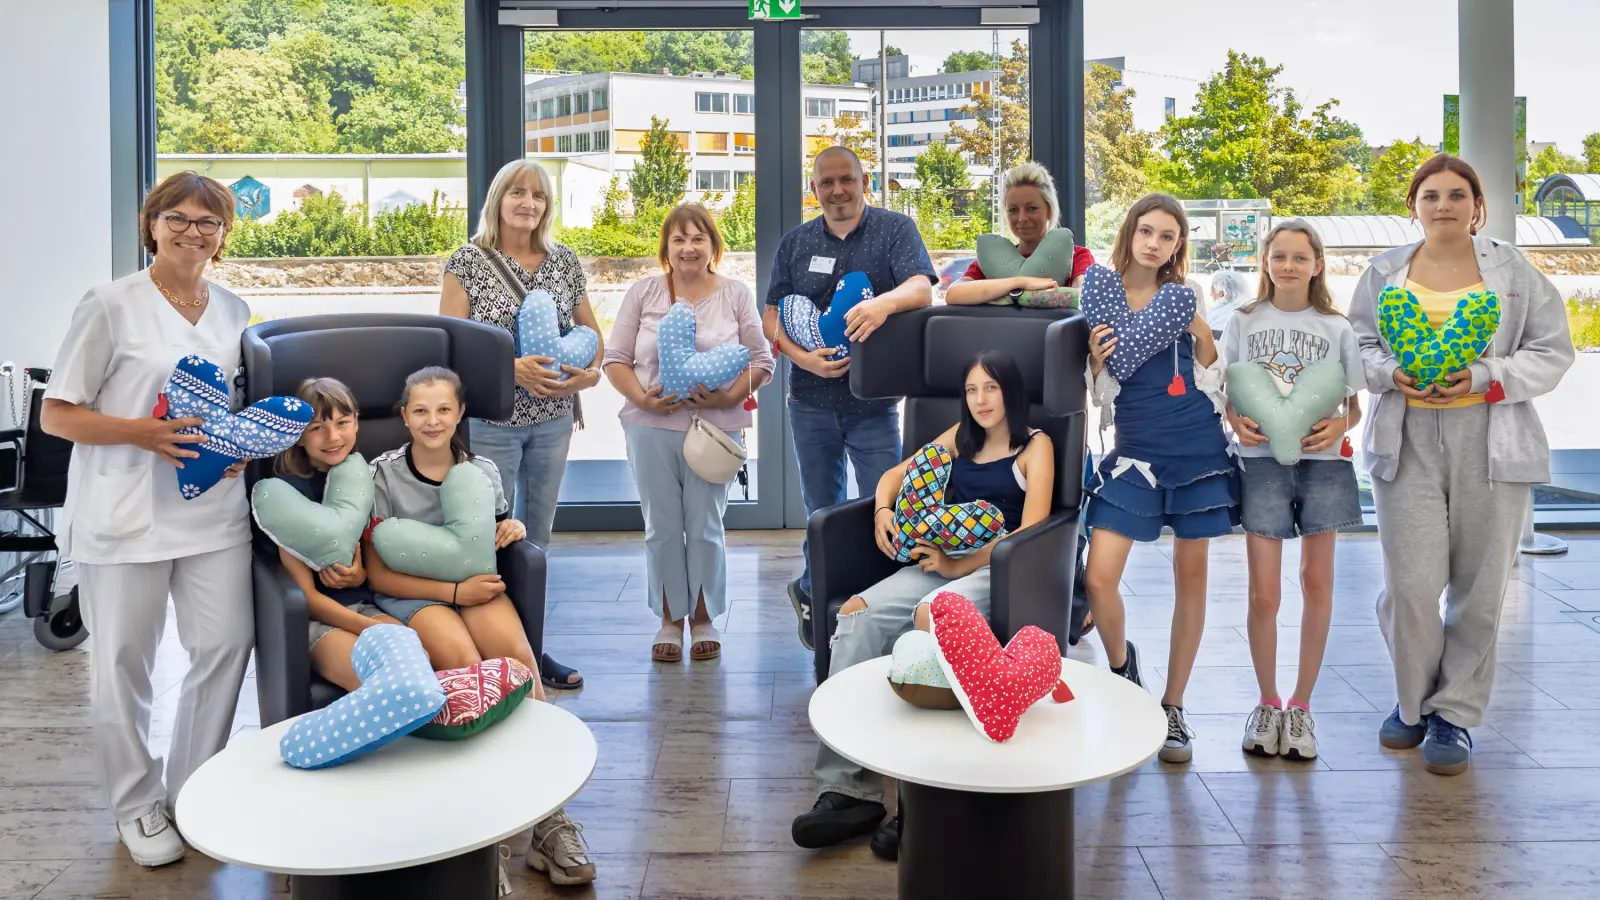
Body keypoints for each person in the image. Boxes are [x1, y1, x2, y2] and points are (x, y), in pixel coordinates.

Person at [40, 171, 254, 867]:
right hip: (125, 513)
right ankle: (137, 804)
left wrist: (231, 451)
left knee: (225, 646)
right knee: (123, 665)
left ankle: (192, 792)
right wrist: (143, 434)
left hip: (212, 514)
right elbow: (56, 415)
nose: (193, 231)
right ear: (152, 224)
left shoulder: (234, 310)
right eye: (178, 218)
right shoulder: (109, 305)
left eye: (208, 222)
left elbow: (226, 407)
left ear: (223, 235)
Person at [1349, 154, 1573, 775]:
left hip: (1492, 439)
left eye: (1456, 195)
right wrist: (1387, 373)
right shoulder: (1384, 270)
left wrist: (1484, 376)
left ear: (1477, 206)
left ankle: (1453, 714)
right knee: (1411, 587)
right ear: (1413, 206)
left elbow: (1552, 350)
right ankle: (1413, 702)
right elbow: (1357, 344)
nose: (1443, 205)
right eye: (1431, 195)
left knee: (1479, 588)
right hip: (1407, 437)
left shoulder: (1513, 270)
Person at [791, 351, 1055, 857]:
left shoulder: (1034, 446)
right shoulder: (961, 436)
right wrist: (882, 511)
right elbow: (894, 475)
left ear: (1012, 392)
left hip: (997, 571)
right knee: (857, 615)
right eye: (972, 390)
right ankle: (849, 789)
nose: (981, 400)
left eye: (991, 389)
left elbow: (1032, 531)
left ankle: (923, 800)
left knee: (931, 617)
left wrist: (960, 567)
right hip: (938, 560)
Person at [363, 367, 595, 885]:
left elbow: (487, 539)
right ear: (403, 416)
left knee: (521, 667)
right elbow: (378, 573)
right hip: (414, 594)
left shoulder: (482, 471)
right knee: (467, 669)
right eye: (420, 411)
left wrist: (510, 528)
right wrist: (452, 594)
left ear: (461, 412)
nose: (432, 421)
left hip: (476, 585)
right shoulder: (381, 476)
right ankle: (482, 836)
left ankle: (548, 820)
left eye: (444, 409)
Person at [1081, 193, 1239, 764]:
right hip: (1134, 454)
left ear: (1178, 245)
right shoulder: (1099, 292)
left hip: (1195, 447)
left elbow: (1213, 378)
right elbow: (1099, 396)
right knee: (1099, 579)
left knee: (1190, 578)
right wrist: (1095, 363)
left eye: (1167, 236)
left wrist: (1204, 337)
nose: (1154, 243)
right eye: (1146, 230)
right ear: (1130, 232)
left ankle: (1173, 706)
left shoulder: (1182, 297)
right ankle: (1124, 671)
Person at [764, 145, 936, 651]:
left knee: (887, 504)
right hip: (809, 399)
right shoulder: (796, 243)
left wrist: (883, 304)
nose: (837, 190)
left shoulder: (895, 230)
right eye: (827, 182)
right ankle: (817, 598)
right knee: (822, 508)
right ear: (813, 188)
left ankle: (877, 605)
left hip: (874, 402)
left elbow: (922, 288)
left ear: (865, 182)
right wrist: (803, 358)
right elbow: (772, 316)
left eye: (847, 179)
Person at [440, 158, 594, 692]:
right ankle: (487, 650)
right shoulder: (467, 261)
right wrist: (511, 369)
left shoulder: (564, 262)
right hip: (492, 423)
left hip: (553, 422)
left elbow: (590, 336)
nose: (528, 203)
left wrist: (584, 375)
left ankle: (531, 646)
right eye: (517, 193)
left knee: (537, 539)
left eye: (539, 195)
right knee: (487, 536)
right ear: (498, 200)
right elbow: (451, 347)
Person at [603, 204, 774, 661]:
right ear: (666, 248)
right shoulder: (643, 293)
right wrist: (642, 398)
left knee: (705, 527)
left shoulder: (735, 294)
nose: (688, 247)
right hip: (649, 429)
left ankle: (702, 619)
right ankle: (668, 621)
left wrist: (726, 398)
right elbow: (615, 360)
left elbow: (762, 360)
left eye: (698, 238)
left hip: (717, 431)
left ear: (713, 245)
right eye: (678, 239)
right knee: (661, 528)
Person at [1222, 221, 1364, 761]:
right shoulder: (1243, 320)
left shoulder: (1336, 326)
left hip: (1323, 466)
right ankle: (1267, 701)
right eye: (1278, 256)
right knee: (1264, 592)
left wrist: (1342, 425)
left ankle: (1301, 706)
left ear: (1317, 264)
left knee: (1316, 583)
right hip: (1261, 464)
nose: (1288, 266)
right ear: (1264, 261)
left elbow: (1353, 402)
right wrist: (1235, 421)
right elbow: (1227, 389)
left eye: (1299, 257)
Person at [256, 377, 403, 692]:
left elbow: (375, 555)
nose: (333, 436)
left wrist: (360, 574)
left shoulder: (363, 479)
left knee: (415, 661)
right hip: (319, 621)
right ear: (299, 436)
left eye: (342, 423)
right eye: (317, 428)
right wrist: (369, 628)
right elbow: (306, 598)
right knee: (382, 680)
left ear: (356, 423)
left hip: (365, 606)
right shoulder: (285, 497)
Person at [944, 160, 1095, 305]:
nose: (1022, 218)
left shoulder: (1078, 256)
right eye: (1013, 210)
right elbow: (953, 293)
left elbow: (1083, 296)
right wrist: (1021, 282)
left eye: (1032, 208)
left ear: (1049, 210)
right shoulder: (993, 261)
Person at [1204, 268, 1253, 336]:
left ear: (1222, 293)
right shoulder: (1249, 313)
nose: (1210, 294)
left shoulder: (1209, 315)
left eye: (1212, 291)